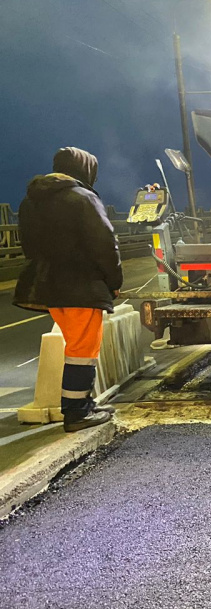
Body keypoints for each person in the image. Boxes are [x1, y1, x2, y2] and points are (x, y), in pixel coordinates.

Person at [13, 147, 123, 432]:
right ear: (84, 169)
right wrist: (114, 282)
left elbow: (28, 245)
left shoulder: (30, 202)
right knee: (82, 350)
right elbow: (105, 244)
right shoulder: (83, 198)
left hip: (48, 287)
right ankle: (77, 412)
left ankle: (82, 405)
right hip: (81, 286)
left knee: (75, 346)